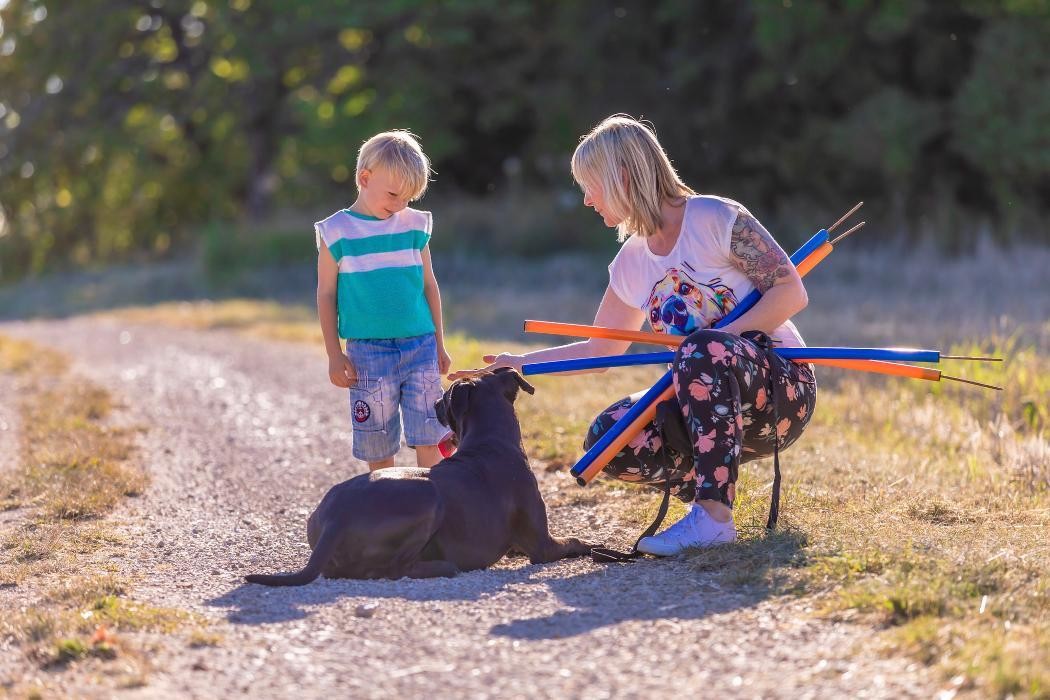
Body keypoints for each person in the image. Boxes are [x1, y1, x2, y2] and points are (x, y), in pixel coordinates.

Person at [449, 115, 816, 556]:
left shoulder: (714, 217)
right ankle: (704, 493)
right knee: (610, 437)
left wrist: (715, 340)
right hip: (706, 404)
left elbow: (791, 291)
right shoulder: (631, 262)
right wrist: (522, 364)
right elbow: (602, 350)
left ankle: (713, 518)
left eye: (591, 186)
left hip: (779, 390)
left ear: (621, 177)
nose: (586, 200)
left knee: (701, 351)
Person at [316, 130, 453, 471]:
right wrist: (335, 354)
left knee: (431, 434)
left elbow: (429, 285)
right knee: (377, 440)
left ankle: (432, 510)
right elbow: (326, 294)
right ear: (365, 178)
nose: (399, 205)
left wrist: (439, 343)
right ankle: (387, 511)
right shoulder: (337, 232)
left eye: (408, 198)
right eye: (393, 194)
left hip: (420, 346)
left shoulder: (414, 226)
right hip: (367, 353)